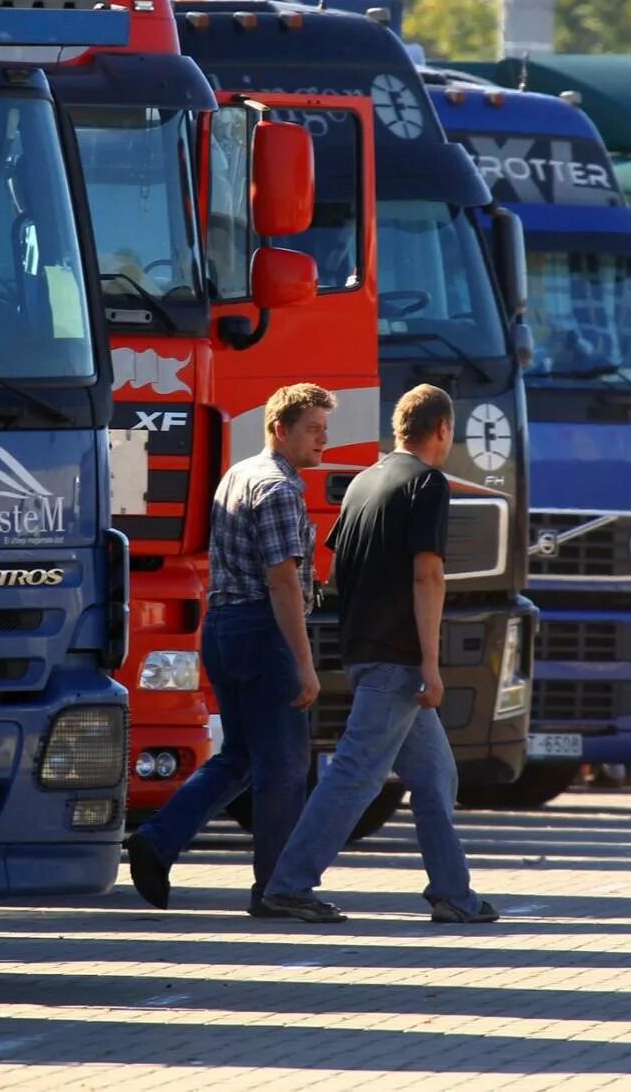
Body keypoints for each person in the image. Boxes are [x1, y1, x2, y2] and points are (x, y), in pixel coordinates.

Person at [259, 384, 497, 925]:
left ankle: (453, 895)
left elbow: (340, 572)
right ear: (442, 431)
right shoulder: (428, 484)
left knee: (436, 776)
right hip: (399, 660)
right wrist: (431, 665)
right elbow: (428, 574)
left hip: (365, 650)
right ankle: (289, 885)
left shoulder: (365, 481)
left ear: (399, 430)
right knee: (356, 775)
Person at [124, 383, 331, 914]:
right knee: (284, 766)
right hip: (265, 631)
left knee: (239, 756)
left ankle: (157, 839)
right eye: (313, 429)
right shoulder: (280, 489)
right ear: (280, 429)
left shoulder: (238, 474)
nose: (323, 440)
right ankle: (279, 890)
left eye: (324, 429)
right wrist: (305, 665)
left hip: (222, 627)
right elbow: (283, 581)